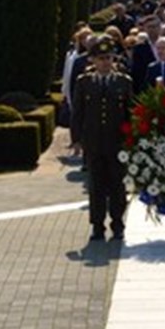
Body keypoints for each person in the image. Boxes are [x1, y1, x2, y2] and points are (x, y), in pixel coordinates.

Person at [71, 38, 134, 241]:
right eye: (101, 58)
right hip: (94, 142)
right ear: (93, 60)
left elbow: (130, 113)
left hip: (117, 143)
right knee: (96, 186)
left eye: (109, 58)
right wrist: (76, 139)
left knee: (117, 185)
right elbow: (78, 113)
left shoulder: (123, 82)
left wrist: (131, 139)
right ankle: (97, 225)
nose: (106, 62)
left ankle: (118, 223)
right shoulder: (84, 82)